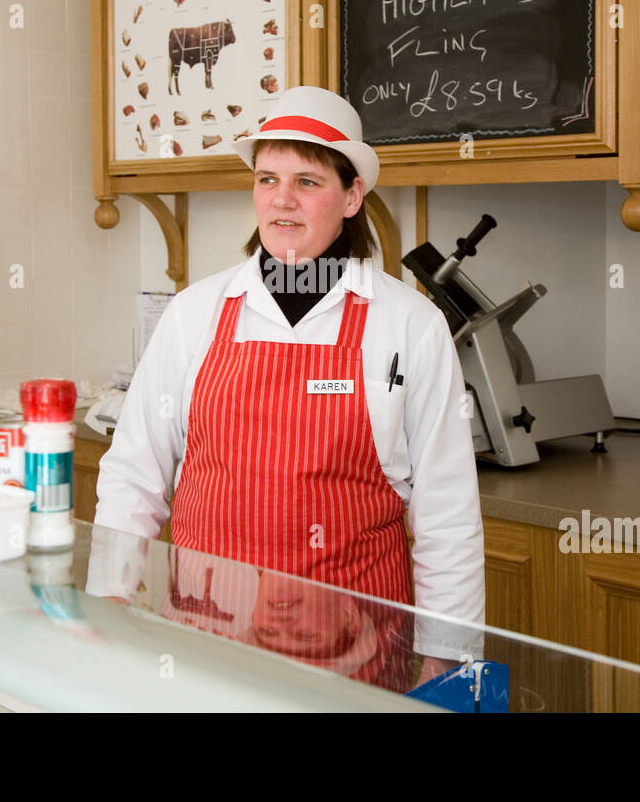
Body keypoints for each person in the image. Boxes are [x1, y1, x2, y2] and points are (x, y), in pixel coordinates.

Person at [93, 85, 484, 689]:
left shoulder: (408, 323)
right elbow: (134, 472)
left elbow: (447, 510)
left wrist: (447, 656)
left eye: (307, 181)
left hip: (352, 652)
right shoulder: (196, 313)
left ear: (352, 196)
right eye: (267, 179)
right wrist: (110, 598)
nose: (282, 201)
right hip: (206, 641)